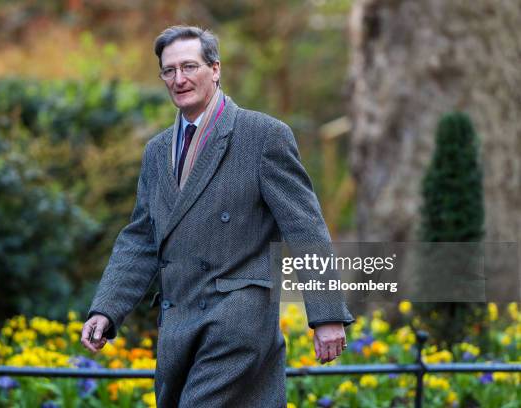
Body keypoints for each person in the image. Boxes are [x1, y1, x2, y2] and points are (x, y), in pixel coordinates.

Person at [81, 25, 354, 407]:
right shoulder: (158, 151)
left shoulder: (262, 135)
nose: (179, 79)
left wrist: (326, 315)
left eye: (189, 67)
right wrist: (107, 309)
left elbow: (304, 226)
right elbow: (141, 238)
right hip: (178, 323)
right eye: (169, 70)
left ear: (215, 69)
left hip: (238, 322)